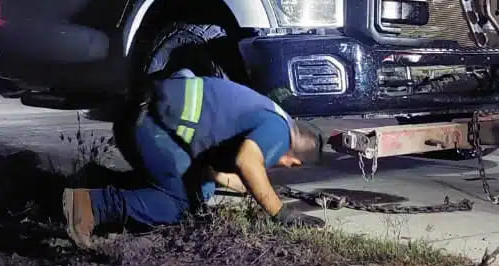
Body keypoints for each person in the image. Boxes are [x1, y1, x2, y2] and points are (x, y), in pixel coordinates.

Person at [61, 70, 327, 248]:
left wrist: (250, 188)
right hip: (151, 130)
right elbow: (248, 162)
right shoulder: (280, 133)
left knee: (201, 187)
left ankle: (95, 180)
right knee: (183, 203)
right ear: (294, 162)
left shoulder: (269, 111)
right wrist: (280, 212)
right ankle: (93, 205)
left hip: (139, 116)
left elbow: (218, 170)